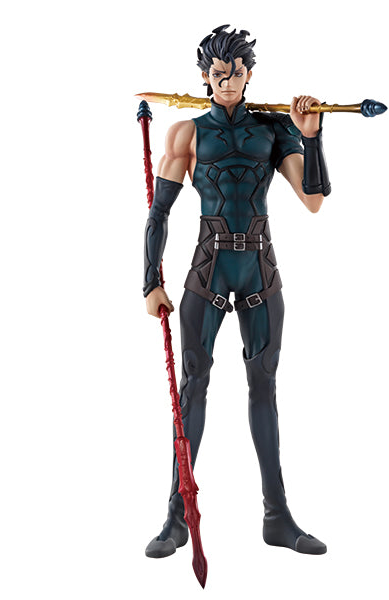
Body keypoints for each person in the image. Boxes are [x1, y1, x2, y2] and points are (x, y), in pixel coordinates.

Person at [143, 25, 331, 558]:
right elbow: (159, 212)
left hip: (259, 269)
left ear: (250, 75)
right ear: (206, 77)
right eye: (219, 74)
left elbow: (314, 200)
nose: (228, 83)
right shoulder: (186, 133)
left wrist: (311, 136)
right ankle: (177, 517)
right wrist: (150, 281)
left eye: (237, 73)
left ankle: (278, 517)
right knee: (193, 387)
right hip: (208, 269)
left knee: (264, 386)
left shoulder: (273, 130)